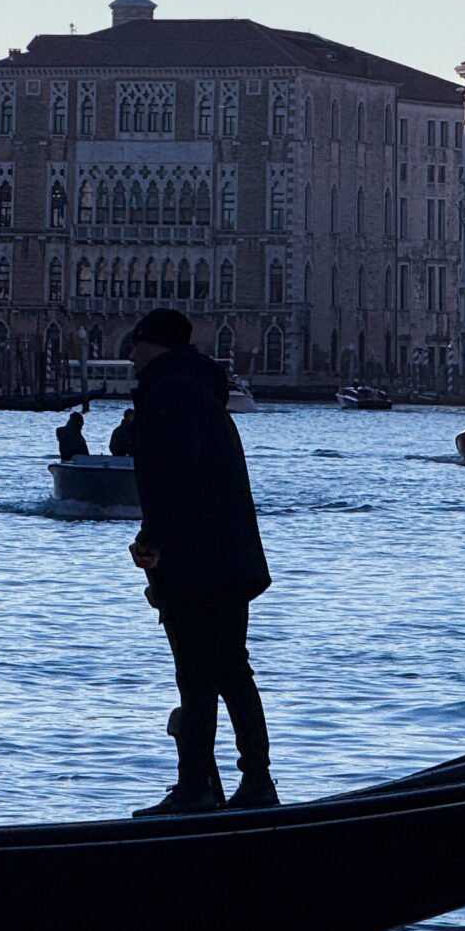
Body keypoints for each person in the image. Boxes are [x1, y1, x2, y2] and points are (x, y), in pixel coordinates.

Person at [122, 308, 276, 815]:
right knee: (230, 669)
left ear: (155, 347)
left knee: (197, 674)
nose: (131, 358)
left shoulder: (171, 393)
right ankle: (255, 783)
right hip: (225, 559)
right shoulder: (195, 391)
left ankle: (196, 789)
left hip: (199, 563)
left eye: (137, 347)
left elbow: (177, 478)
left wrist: (155, 542)